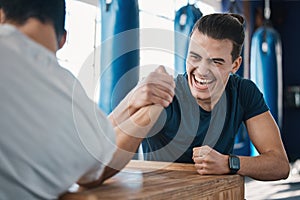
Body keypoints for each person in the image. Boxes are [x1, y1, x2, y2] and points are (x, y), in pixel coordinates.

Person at [0, 0, 175, 199]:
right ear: (63, 39)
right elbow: (96, 169)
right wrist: (152, 111)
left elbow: (97, 144)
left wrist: (131, 101)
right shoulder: (65, 88)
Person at [131, 13, 290, 181]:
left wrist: (229, 163)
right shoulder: (164, 93)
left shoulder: (243, 92)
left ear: (235, 65)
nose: (202, 70)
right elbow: (108, 154)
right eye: (195, 57)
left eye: (216, 62)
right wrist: (132, 102)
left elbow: (280, 165)